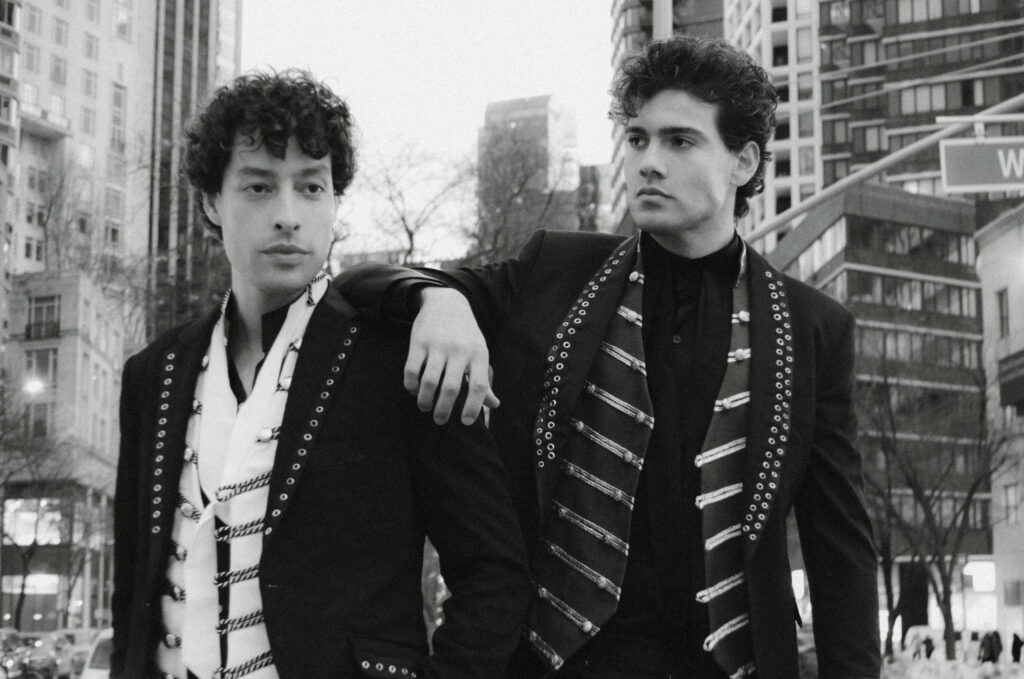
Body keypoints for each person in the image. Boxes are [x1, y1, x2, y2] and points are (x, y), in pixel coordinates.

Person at [339, 35, 881, 679]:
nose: (648, 162)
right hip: (556, 664)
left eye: (679, 141)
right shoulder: (558, 272)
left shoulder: (813, 328)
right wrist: (439, 300)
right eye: (637, 138)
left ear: (743, 162)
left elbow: (839, 546)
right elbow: (361, 283)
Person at [111, 70, 530, 679]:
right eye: (258, 187)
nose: (288, 215)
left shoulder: (396, 356)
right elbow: (136, 586)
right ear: (210, 202)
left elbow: (492, 573)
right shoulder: (154, 373)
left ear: (335, 201)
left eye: (311, 187)